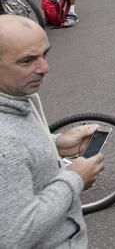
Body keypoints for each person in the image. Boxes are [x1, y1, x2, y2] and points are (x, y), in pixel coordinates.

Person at [0, 15, 106, 247]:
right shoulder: (4, 144)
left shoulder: (14, 96)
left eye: (45, 54)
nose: (45, 68)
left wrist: (55, 144)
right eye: (27, 61)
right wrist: (75, 179)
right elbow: (13, 236)